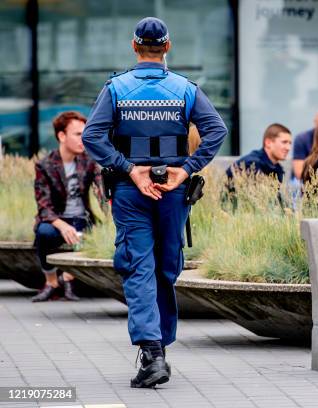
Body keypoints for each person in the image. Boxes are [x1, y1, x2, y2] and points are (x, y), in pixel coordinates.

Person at [82, 17, 227, 388]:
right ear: (167, 46)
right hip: (174, 189)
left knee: (139, 266)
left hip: (133, 192)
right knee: (165, 267)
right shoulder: (185, 89)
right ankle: (157, 347)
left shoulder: (116, 89)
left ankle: (152, 352)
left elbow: (93, 136)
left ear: (135, 46)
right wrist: (186, 169)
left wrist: (130, 170)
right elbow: (216, 130)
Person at [33, 111, 105, 302]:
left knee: (92, 232)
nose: (84, 139)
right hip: (57, 220)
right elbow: (44, 206)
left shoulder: (89, 161)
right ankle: (51, 282)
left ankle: (68, 278)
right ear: (62, 136)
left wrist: (110, 210)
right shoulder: (45, 165)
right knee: (44, 232)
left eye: (85, 133)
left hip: (82, 219)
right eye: (78, 134)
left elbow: (101, 192)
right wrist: (63, 225)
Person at [226, 123, 291, 183]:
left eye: (290, 143)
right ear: (268, 143)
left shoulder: (277, 168)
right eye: (284, 142)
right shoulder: (251, 164)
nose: (288, 148)